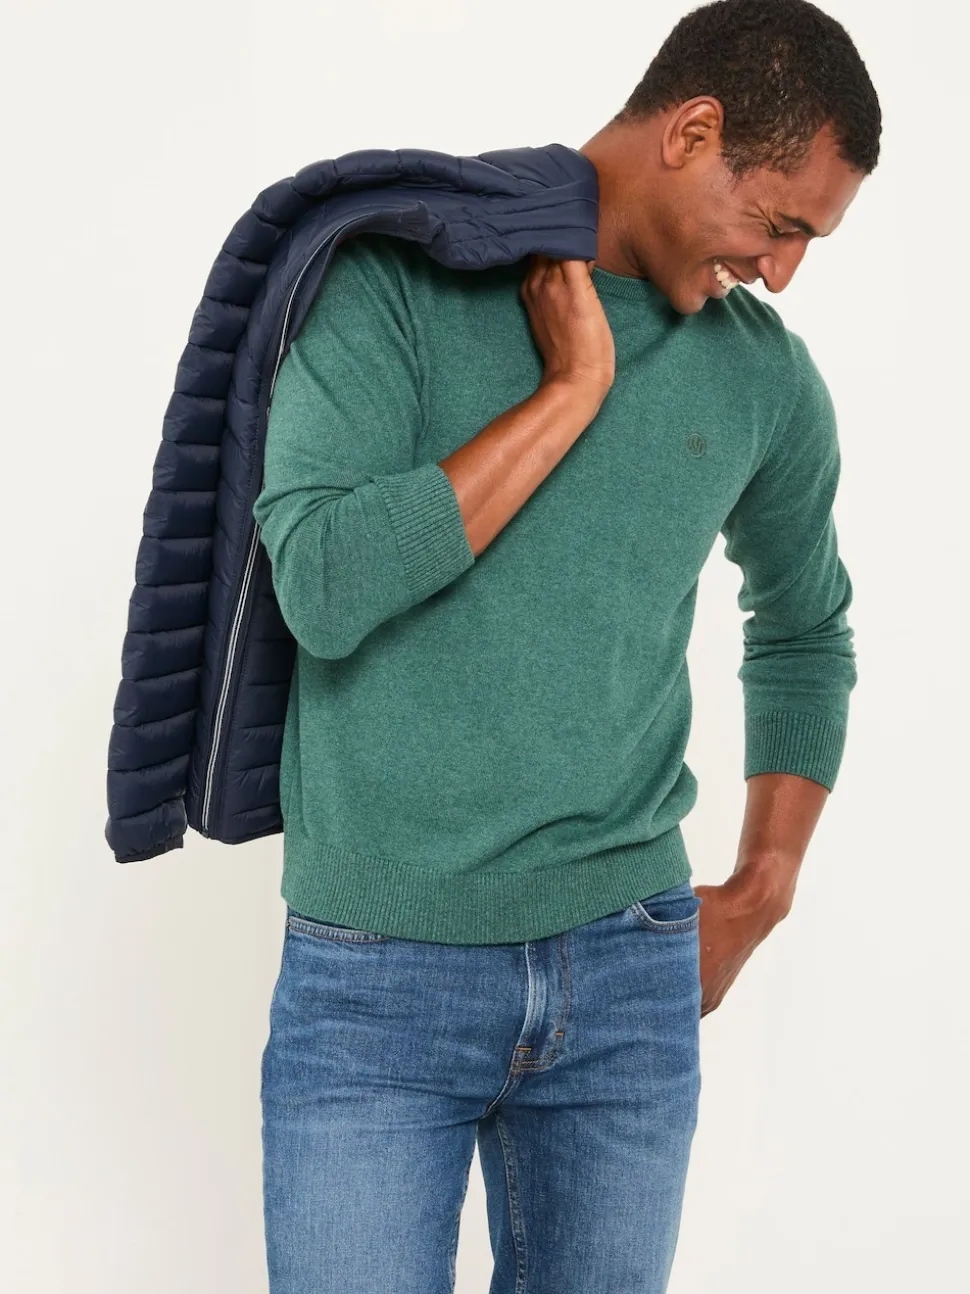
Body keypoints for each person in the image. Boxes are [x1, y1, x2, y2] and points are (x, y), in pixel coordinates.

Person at [252, 0, 881, 1289]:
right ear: (693, 133)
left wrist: (762, 889)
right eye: (780, 224)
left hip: (626, 972)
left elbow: (806, 627)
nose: (783, 272)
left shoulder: (763, 378)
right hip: (377, 976)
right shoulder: (393, 283)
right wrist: (570, 393)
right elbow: (321, 584)